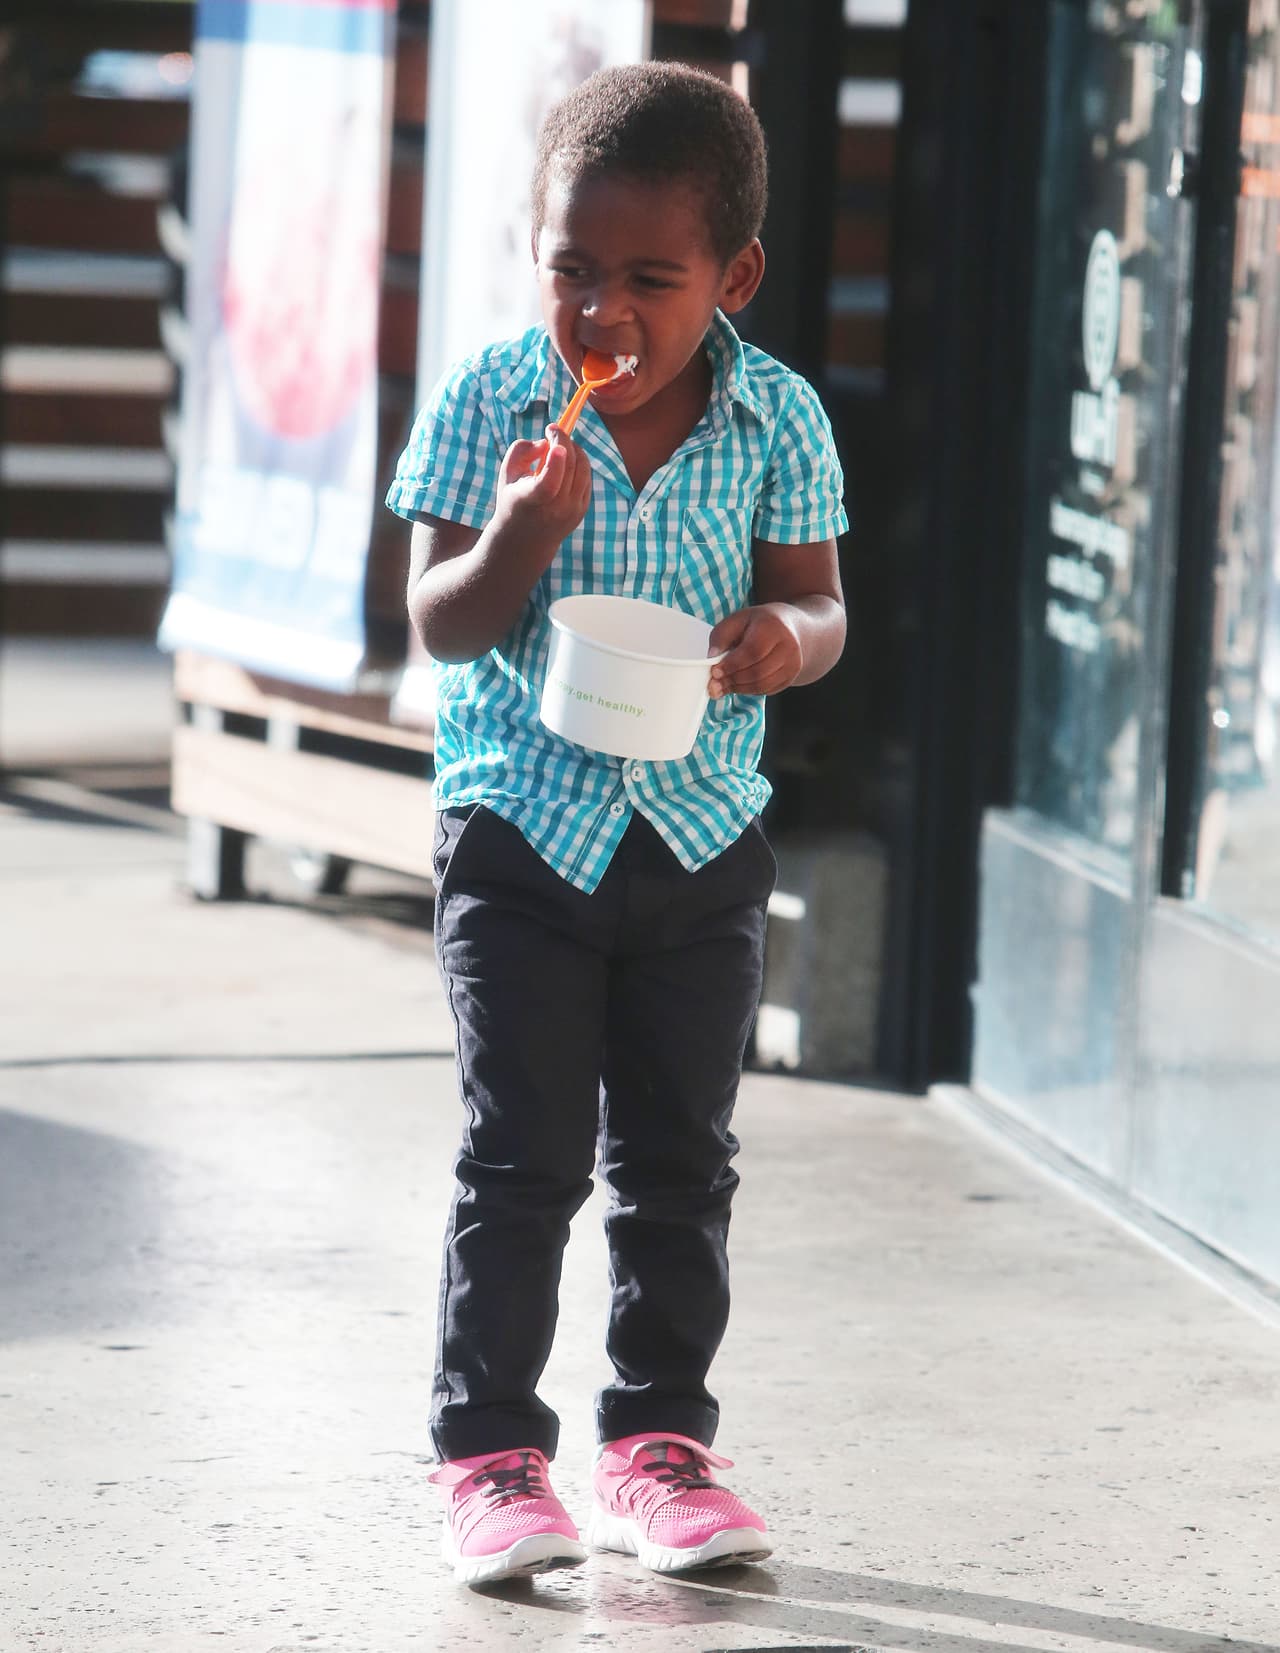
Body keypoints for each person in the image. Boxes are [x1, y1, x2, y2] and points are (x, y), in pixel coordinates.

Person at [385, 61, 848, 1588]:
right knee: (519, 1155)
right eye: (573, 270)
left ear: (735, 278)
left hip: (701, 837)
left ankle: (658, 1441)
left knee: (678, 1158)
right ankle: (493, 1460)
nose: (604, 316)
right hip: (521, 831)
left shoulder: (777, 416)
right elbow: (442, 625)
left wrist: (786, 636)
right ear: (537, 253)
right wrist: (523, 529)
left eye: (651, 279)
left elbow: (821, 600)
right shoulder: (494, 399)